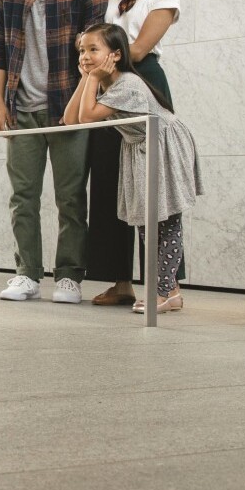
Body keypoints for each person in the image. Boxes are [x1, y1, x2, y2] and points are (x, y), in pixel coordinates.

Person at [0, 0, 108, 303]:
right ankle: (26, 274)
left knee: (70, 197)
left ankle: (70, 277)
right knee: (22, 197)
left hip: (67, 110)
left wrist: (82, 106)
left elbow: (93, 58)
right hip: (21, 110)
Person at [64, 23, 201, 313]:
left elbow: (86, 118)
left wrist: (91, 78)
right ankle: (170, 291)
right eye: (82, 50)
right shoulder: (106, 84)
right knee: (146, 222)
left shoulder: (127, 84)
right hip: (140, 148)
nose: (85, 56)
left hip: (163, 144)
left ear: (115, 55)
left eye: (93, 49)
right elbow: (70, 119)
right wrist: (86, 78)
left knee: (166, 220)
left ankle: (162, 293)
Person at [86, 0, 181, 306]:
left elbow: (138, 49)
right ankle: (120, 280)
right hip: (111, 82)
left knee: (153, 187)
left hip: (143, 82)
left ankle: (167, 286)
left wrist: (102, 62)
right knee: (110, 182)